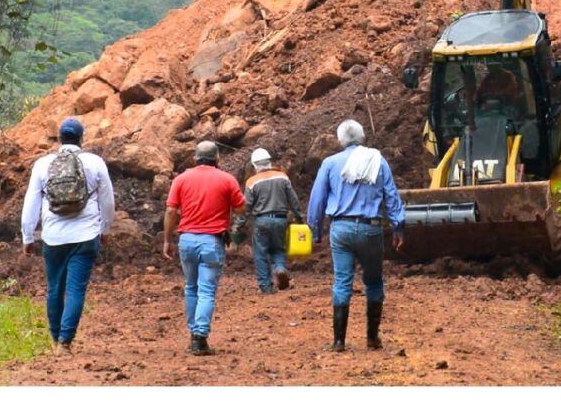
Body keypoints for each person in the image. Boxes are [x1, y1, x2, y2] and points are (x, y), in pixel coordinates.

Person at [307, 119, 405, 352]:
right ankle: (372, 338)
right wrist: (398, 226)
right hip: (371, 229)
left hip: (341, 229)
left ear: (340, 140)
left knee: (342, 281)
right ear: (362, 137)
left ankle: (339, 341)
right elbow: (391, 195)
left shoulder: (330, 163)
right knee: (373, 281)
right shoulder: (378, 160)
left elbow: (317, 199)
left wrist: (315, 229)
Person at [21, 117, 115, 356]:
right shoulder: (94, 162)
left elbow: (31, 202)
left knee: (54, 288)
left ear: (60, 139)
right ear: (82, 138)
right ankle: (65, 341)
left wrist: (28, 236)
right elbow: (107, 200)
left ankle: (55, 339)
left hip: (53, 237)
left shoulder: (43, 164)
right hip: (85, 236)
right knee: (75, 289)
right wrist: (105, 229)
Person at [163, 141, 246, 355]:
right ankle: (200, 337)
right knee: (206, 291)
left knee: (191, 287)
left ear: (195, 158)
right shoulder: (227, 179)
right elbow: (240, 209)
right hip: (212, 241)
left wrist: (166, 240)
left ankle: (194, 334)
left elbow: (171, 211)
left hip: (187, 240)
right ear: (217, 158)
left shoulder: (181, 179)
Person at [240, 147, 304, 294]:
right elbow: (293, 199)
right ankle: (280, 268)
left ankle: (265, 287)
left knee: (261, 253)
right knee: (278, 249)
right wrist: (300, 217)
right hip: (281, 220)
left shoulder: (252, 182)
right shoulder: (282, 176)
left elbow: (247, 206)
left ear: (254, 165)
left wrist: (239, 224)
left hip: (262, 221)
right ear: (269, 161)